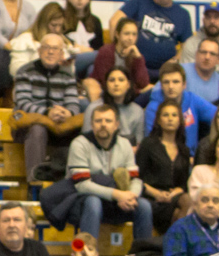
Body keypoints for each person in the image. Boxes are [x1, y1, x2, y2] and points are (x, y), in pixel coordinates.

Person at [55, 102, 153, 243]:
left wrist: (130, 196)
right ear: (92, 124)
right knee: (93, 202)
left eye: (108, 121)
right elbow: (82, 185)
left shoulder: (125, 144)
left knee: (144, 205)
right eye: (98, 120)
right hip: (79, 200)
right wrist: (118, 195)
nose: (103, 124)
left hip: (114, 202)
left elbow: (135, 179)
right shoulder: (79, 144)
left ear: (116, 124)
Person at [11, 33, 84, 188]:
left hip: (59, 123)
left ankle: (73, 183)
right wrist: (47, 113)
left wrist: (67, 113)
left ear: (61, 54)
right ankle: (35, 184)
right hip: (28, 124)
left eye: (55, 49)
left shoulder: (67, 74)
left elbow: (73, 104)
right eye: (47, 48)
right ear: (39, 51)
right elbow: (23, 103)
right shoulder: (25, 71)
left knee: (79, 130)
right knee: (38, 129)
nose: (50, 52)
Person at [110, 0, 191, 75]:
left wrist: (175, 61)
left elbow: (188, 47)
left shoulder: (183, 14)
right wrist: (120, 50)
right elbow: (114, 21)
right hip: (133, 66)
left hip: (166, 73)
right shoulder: (139, 1)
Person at [136, 98, 190, 233]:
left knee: (185, 202)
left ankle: (172, 247)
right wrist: (156, 193)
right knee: (180, 211)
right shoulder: (148, 144)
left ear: (180, 121)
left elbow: (183, 184)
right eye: (165, 115)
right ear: (159, 120)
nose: (170, 119)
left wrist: (177, 191)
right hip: (151, 199)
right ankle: (175, 248)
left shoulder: (184, 150)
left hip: (175, 198)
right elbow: (137, 178)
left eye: (174, 115)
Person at [141, 63, 216, 153]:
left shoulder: (192, 99)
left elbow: (218, 115)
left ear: (184, 84)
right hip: (162, 160)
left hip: (191, 159)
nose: (171, 87)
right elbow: (150, 144)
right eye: (166, 82)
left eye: (176, 82)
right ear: (161, 85)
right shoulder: (153, 108)